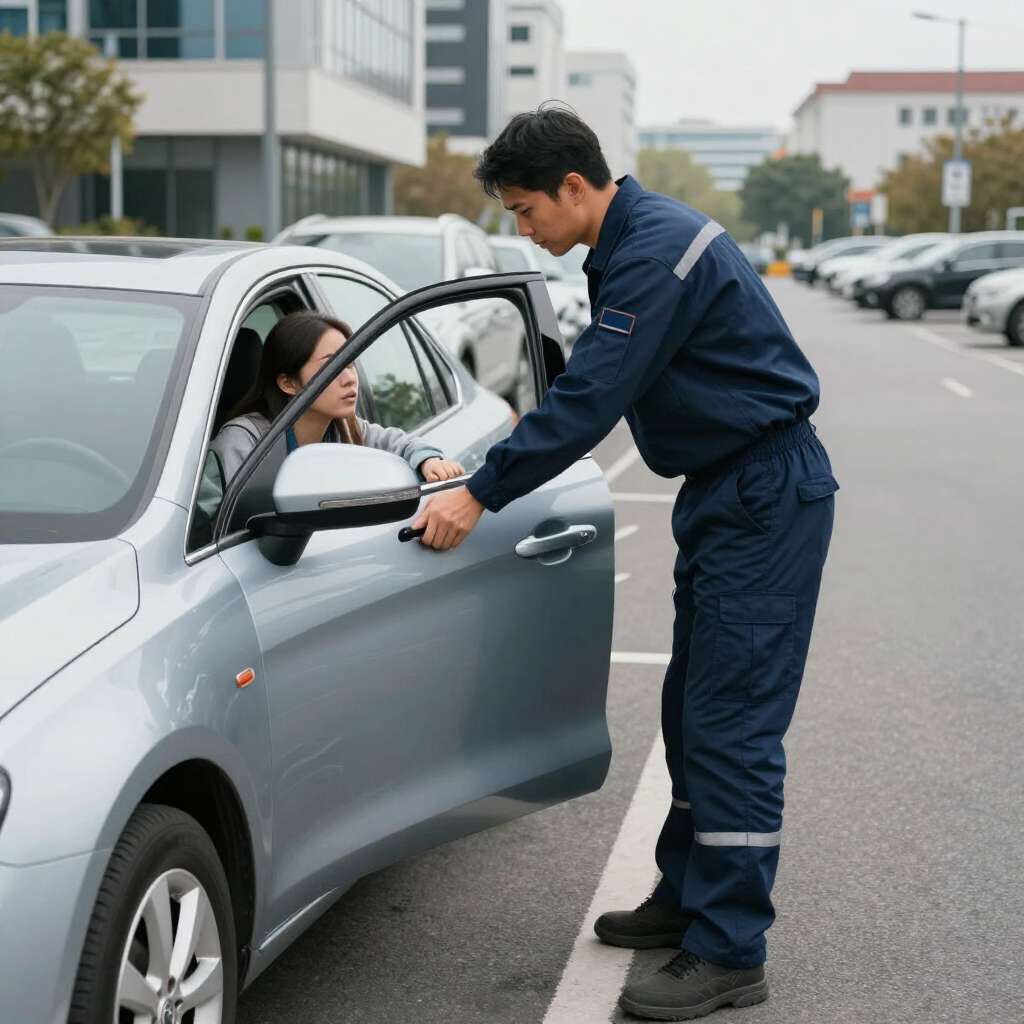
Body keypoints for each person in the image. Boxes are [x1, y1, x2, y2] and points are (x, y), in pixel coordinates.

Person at [412, 107, 838, 1020]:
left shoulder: (655, 250)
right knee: (692, 712)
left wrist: (481, 490)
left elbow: (595, 394)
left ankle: (730, 951)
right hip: (727, 490)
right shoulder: (629, 244)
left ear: (575, 186)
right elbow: (588, 383)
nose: (523, 230)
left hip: (763, 492)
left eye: (526, 210)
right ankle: (688, 900)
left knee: (730, 723)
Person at [210, 310, 463, 487]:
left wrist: (428, 461)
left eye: (349, 363)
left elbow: (404, 445)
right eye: (331, 367)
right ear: (288, 383)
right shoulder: (245, 441)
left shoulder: (349, 432)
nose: (350, 378)